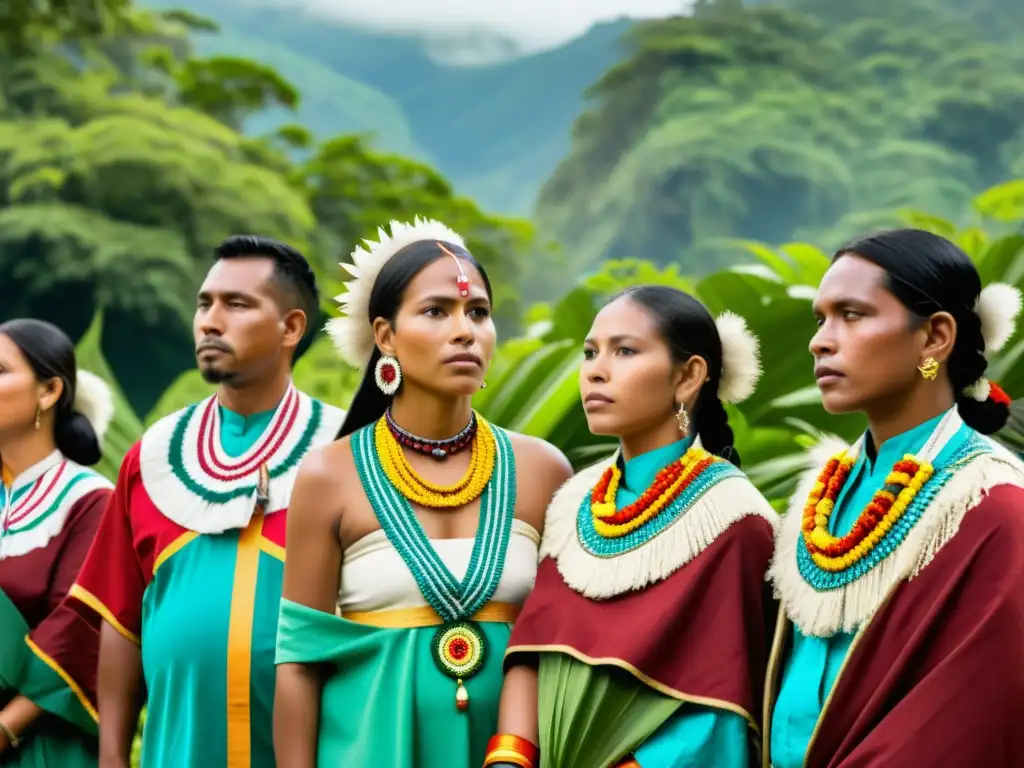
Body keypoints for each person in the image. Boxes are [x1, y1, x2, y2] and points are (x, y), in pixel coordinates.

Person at [272, 218, 573, 768]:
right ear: (384, 335)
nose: (465, 331)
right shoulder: (328, 478)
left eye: (477, 312)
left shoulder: (542, 470)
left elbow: (564, 643)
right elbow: (299, 662)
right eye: (437, 311)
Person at [66, 236, 347, 768]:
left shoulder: (346, 453)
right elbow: (121, 621)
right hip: (178, 752)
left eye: (236, 304)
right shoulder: (152, 457)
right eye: (204, 303)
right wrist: (111, 758)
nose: (209, 322)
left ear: (291, 327)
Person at [765, 228, 1024, 767]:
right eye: (821, 319)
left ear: (934, 338)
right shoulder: (820, 493)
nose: (820, 341)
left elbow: (966, 720)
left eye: (852, 314)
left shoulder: (994, 507)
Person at [493, 286, 779, 768]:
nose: (595, 371)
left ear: (689, 375)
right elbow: (531, 651)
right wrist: (508, 761)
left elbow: (723, 705)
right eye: (590, 352)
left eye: (624, 351)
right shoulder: (573, 503)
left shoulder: (735, 520)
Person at [0, 318, 115, 765]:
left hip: (42, 744)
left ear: (49, 392)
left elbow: (79, 629)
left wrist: (7, 728)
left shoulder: (89, 502)